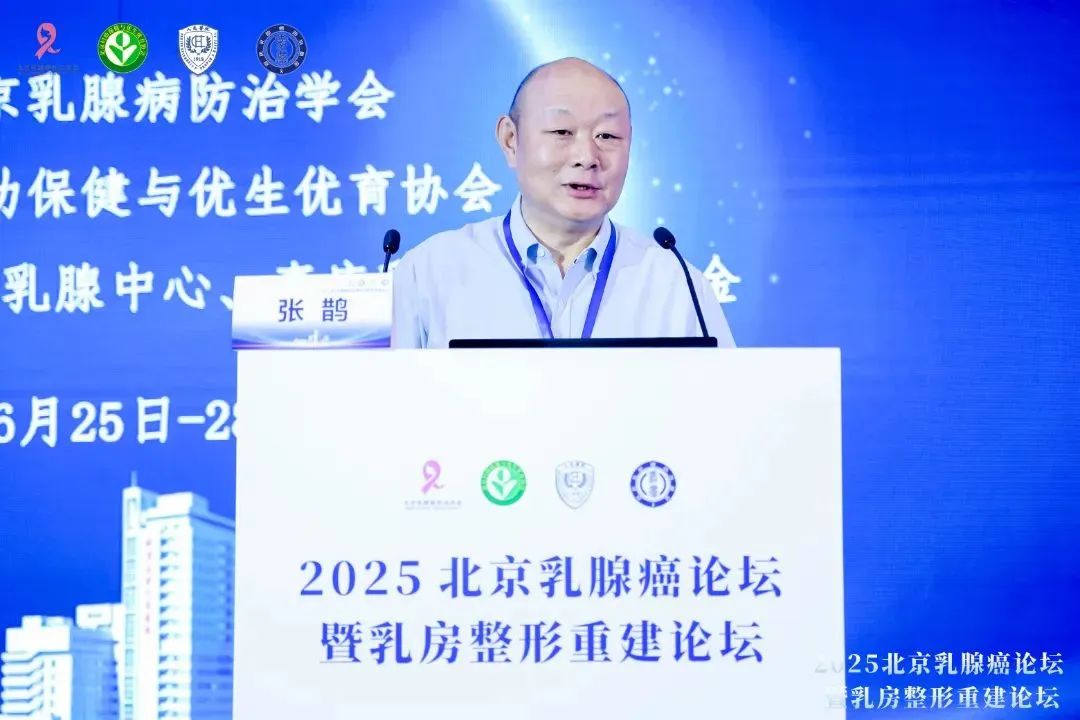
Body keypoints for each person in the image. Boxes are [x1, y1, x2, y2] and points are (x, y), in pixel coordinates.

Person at [391, 57, 735, 348]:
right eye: (562, 132)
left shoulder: (678, 285)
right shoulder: (430, 272)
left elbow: (725, 403)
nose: (587, 157)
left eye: (607, 136)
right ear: (510, 140)